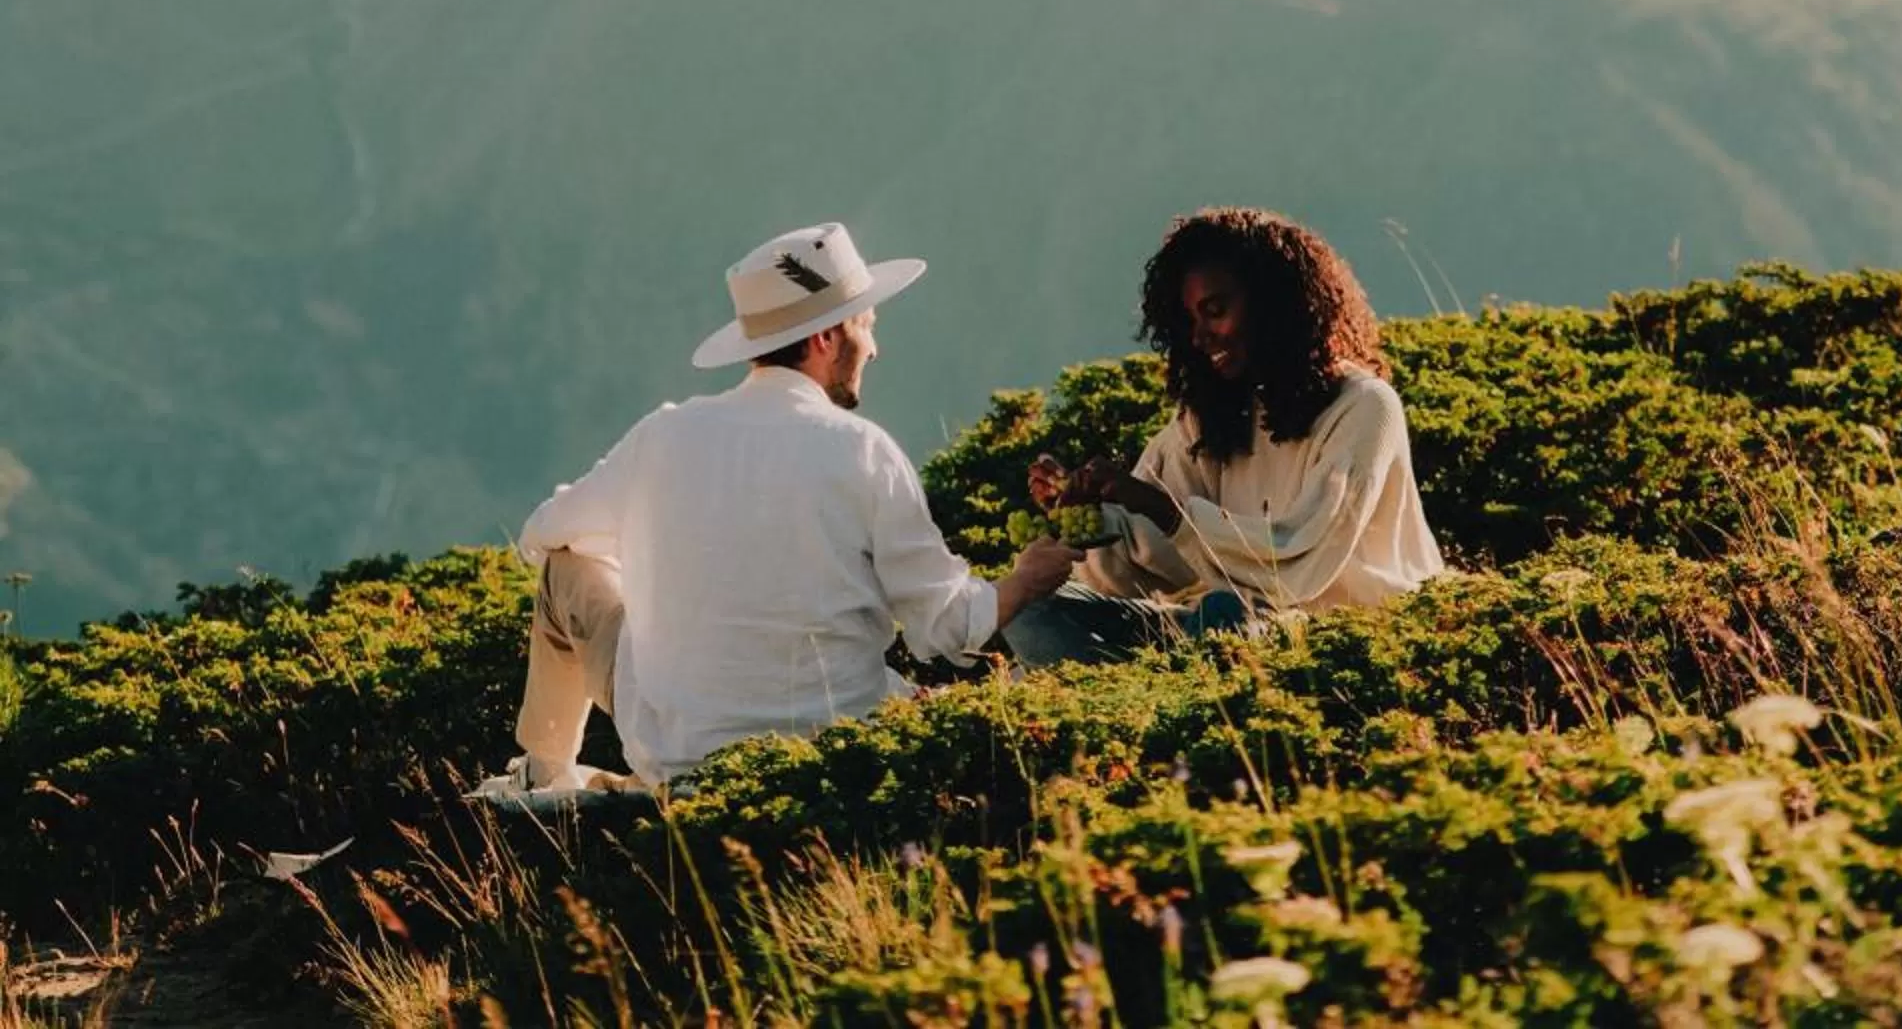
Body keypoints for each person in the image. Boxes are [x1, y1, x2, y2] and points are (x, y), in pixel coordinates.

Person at [483, 221, 1076, 795]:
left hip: (677, 753)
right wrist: (1026, 579)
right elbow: (948, 627)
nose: (874, 347)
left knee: (566, 569)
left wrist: (653, 562)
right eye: (866, 326)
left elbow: (544, 532)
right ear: (826, 338)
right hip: (837, 743)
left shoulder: (662, 437)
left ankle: (544, 774)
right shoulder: (863, 451)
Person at [1004, 206, 1445, 670]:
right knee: (1028, 605)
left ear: (1273, 303)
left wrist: (1158, 506)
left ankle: (1155, 682)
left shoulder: (1364, 407)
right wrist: (1090, 515)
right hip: (1209, 628)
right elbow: (1156, 559)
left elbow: (1298, 566)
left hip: (1336, 631)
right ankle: (1161, 685)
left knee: (1224, 614)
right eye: (1189, 322)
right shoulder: (1215, 416)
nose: (1200, 338)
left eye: (1215, 312)